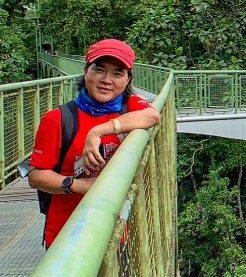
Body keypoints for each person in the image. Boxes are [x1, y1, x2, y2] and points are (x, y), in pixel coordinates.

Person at [28, 39, 161, 248]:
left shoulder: (129, 107)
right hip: (67, 235)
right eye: (99, 70)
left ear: (127, 80)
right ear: (86, 72)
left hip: (115, 234)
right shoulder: (58, 119)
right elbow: (36, 176)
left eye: (117, 73)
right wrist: (80, 186)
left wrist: (97, 131)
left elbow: (153, 116)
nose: (106, 80)